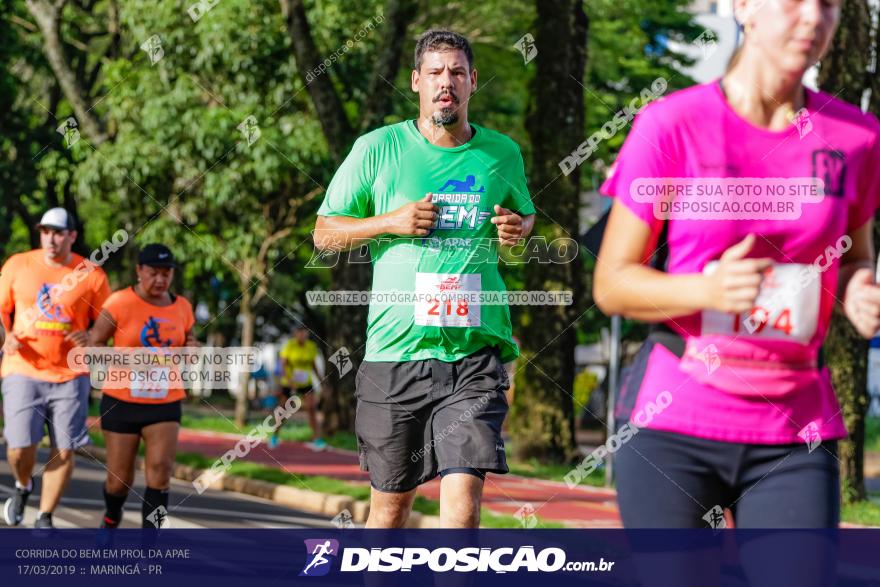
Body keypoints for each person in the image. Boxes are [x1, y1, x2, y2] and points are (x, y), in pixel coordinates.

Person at [594, 0, 879, 530]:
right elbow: (612, 284)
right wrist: (709, 291)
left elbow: (858, 255)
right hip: (676, 416)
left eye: (831, 4)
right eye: (796, 1)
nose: (815, 18)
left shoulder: (856, 137)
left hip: (796, 425)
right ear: (744, 6)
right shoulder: (671, 124)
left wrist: (861, 289)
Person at [313, 29, 535, 528]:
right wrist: (389, 222)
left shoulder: (503, 153)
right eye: (435, 73)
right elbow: (324, 235)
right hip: (395, 355)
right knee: (390, 513)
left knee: (463, 510)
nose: (446, 83)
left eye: (457, 72)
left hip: (473, 355)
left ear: (473, 82)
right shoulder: (378, 148)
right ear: (416, 81)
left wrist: (517, 229)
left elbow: (525, 218)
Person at [0, 208, 111, 529]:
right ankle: (23, 485)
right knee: (20, 448)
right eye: (46, 231)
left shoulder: (90, 274)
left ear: (72, 236)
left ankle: (45, 516)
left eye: (59, 232)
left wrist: (91, 335)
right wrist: (6, 338)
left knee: (64, 448)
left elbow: (107, 320)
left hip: (70, 375)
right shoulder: (17, 265)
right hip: (23, 367)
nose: (51, 238)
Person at [88, 244, 196, 529]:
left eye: (166, 273)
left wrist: (192, 349)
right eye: (153, 273)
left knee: (160, 472)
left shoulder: (182, 306)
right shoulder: (119, 302)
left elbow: (189, 340)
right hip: (121, 400)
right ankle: (111, 517)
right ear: (139, 271)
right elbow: (95, 343)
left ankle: (150, 547)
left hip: (165, 401)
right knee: (119, 480)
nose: (160, 280)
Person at [271, 324, 324, 449]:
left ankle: (316, 439)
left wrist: (321, 380)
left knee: (311, 408)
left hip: (306, 383)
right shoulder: (289, 345)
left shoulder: (311, 346)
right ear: (295, 334)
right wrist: (289, 381)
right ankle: (275, 435)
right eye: (300, 333)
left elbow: (313, 364)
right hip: (289, 383)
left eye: (305, 333)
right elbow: (283, 365)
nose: (302, 335)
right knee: (284, 410)